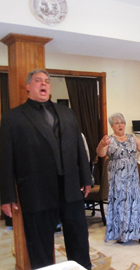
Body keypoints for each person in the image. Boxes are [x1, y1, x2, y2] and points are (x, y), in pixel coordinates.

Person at [0, 69, 92, 270]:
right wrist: (6, 195)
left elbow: (79, 148)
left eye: (47, 81)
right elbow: (5, 160)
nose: (43, 84)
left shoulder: (67, 113)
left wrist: (86, 178)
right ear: (28, 86)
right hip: (36, 192)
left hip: (70, 189)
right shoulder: (12, 118)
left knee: (79, 239)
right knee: (40, 245)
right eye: (38, 81)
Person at [96, 112, 140, 245]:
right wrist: (102, 144)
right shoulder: (109, 139)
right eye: (116, 123)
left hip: (132, 177)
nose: (120, 125)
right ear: (112, 126)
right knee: (119, 205)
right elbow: (101, 154)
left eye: (122, 122)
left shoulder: (132, 137)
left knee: (134, 204)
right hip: (117, 178)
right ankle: (121, 233)